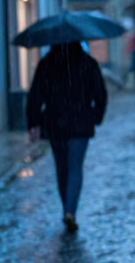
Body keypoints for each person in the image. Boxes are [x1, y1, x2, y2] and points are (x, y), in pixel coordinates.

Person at [26, 41, 109, 233]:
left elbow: (36, 94)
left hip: (56, 123)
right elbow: (101, 94)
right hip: (81, 122)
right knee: (75, 167)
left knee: (62, 168)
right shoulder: (88, 62)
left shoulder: (47, 63)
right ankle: (70, 211)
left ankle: (67, 208)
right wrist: (96, 116)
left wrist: (33, 121)